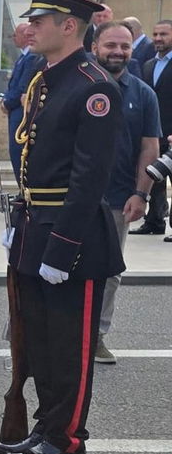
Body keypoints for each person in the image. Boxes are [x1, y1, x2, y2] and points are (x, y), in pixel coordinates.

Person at [0, 0, 122, 454]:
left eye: (40, 21)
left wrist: (62, 246)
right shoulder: (46, 78)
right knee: (41, 341)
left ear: (69, 26)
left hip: (74, 234)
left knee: (70, 345)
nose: (30, 29)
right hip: (35, 223)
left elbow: (90, 178)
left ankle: (67, 441)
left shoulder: (93, 87)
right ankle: (44, 429)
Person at [88, 22, 160, 363]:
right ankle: (59, 336)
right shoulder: (80, 84)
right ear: (95, 46)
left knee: (110, 271)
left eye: (125, 47)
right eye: (111, 45)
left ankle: (96, 336)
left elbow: (149, 147)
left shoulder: (143, 94)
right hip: (73, 197)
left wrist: (141, 194)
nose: (117, 52)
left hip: (118, 199)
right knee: (61, 264)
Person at [133, 18, 172, 236]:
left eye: (164, 34)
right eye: (155, 34)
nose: (158, 38)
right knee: (153, 178)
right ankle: (154, 221)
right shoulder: (148, 65)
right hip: (154, 133)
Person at [2, 22, 43, 182]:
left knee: (18, 151)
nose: (13, 38)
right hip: (15, 110)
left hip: (20, 111)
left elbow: (23, 87)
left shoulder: (32, 57)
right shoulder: (24, 56)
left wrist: (7, 103)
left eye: (15, 35)